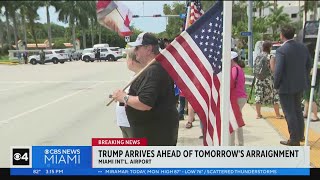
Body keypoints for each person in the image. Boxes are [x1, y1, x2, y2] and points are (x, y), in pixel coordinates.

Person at [112, 32, 179, 146]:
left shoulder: (154, 71)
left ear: (148, 49)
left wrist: (123, 97)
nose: (135, 51)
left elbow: (145, 103)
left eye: (137, 48)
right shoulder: (153, 68)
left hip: (155, 139)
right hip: (153, 134)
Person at [274, 25, 312, 146]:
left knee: (289, 112)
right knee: (297, 111)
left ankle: (294, 139)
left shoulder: (281, 50)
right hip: (300, 84)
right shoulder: (303, 47)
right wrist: (303, 77)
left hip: (285, 86)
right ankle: (300, 135)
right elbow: (309, 64)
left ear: (282, 35)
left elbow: (278, 70)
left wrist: (276, 84)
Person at [115, 48, 143, 138]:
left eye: (127, 59)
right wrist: (120, 97)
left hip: (132, 123)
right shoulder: (135, 75)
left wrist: (124, 97)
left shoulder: (141, 77)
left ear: (131, 61)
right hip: (125, 123)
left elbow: (141, 100)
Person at [254, 41, 283, 119]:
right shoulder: (270, 56)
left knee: (258, 95)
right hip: (268, 79)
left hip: (259, 79)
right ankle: (277, 114)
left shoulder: (258, 56)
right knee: (274, 96)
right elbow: (273, 69)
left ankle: (258, 114)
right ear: (269, 47)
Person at [229, 51, 247, 146]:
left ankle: (231, 144)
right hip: (241, 97)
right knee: (237, 121)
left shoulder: (233, 69)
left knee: (231, 122)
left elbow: (230, 84)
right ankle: (240, 144)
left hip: (235, 98)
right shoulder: (240, 69)